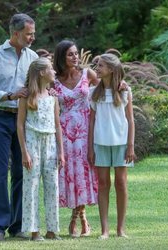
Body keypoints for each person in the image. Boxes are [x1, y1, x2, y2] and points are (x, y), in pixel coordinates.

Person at [0, 13, 38, 241]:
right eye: (29, 34)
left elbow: (40, 86)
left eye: (33, 33)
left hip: (24, 120)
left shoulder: (33, 57)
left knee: (22, 172)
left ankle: (17, 226)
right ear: (15, 34)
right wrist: (10, 95)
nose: (32, 37)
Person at [53, 39, 99, 238]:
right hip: (63, 132)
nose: (75, 57)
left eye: (76, 53)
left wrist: (121, 85)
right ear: (62, 57)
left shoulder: (87, 74)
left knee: (83, 174)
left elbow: (105, 87)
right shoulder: (54, 79)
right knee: (70, 174)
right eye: (70, 54)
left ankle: (78, 217)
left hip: (85, 130)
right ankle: (80, 217)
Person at [88, 53, 135, 239]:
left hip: (121, 143)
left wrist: (130, 145)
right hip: (100, 143)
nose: (97, 68)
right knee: (103, 184)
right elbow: (91, 122)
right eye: (97, 65)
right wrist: (90, 148)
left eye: (100, 66)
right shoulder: (93, 93)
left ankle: (120, 229)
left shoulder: (125, 91)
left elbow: (130, 120)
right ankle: (105, 230)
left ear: (111, 70)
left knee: (121, 183)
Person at [17, 57, 65, 241]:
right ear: (42, 73)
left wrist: (61, 152)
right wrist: (24, 152)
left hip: (50, 143)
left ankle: (52, 230)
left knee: (52, 186)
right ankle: (34, 231)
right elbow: (20, 125)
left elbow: (58, 125)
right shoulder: (26, 96)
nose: (54, 71)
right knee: (31, 186)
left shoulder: (53, 97)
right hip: (32, 143)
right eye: (51, 69)